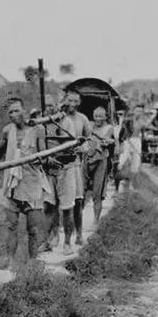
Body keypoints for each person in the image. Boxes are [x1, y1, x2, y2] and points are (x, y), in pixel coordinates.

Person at [0, 98, 49, 271]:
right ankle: (10, 263)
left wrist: (38, 159)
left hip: (32, 183)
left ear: (24, 110)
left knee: (33, 229)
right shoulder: (7, 131)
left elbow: (44, 155)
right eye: (10, 112)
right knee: (11, 226)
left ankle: (32, 263)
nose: (13, 115)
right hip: (12, 184)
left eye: (16, 110)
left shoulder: (38, 129)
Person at [38, 96, 78, 255]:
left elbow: (70, 147)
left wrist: (57, 157)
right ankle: (47, 241)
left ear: (57, 106)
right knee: (48, 207)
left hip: (65, 170)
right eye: (46, 106)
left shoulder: (66, 122)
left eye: (51, 106)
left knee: (67, 208)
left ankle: (67, 243)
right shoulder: (41, 124)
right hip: (48, 171)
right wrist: (46, 159)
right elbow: (38, 147)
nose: (49, 109)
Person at [63, 90, 92, 246]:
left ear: (79, 103)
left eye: (75, 101)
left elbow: (89, 140)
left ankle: (79, 234)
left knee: (78, 200)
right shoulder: (59, 118)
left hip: (76, 164)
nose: (72, 104)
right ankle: (56, 237)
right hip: (60, 165)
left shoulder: (82, 119)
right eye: (70, 100)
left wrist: (84, 148)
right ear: (65, 100)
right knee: (60, 204)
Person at [83, 107, 115, 223]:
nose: (98, 119)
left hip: (101, 161)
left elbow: (107, 140)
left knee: (97, 192)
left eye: (101, 116)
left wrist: (107, 142)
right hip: (87, 159)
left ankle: (96, 221)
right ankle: (79, 221)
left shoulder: (109, 128)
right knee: (81, 191)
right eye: (96, 116)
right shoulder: (89, 125)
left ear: (105, 117)